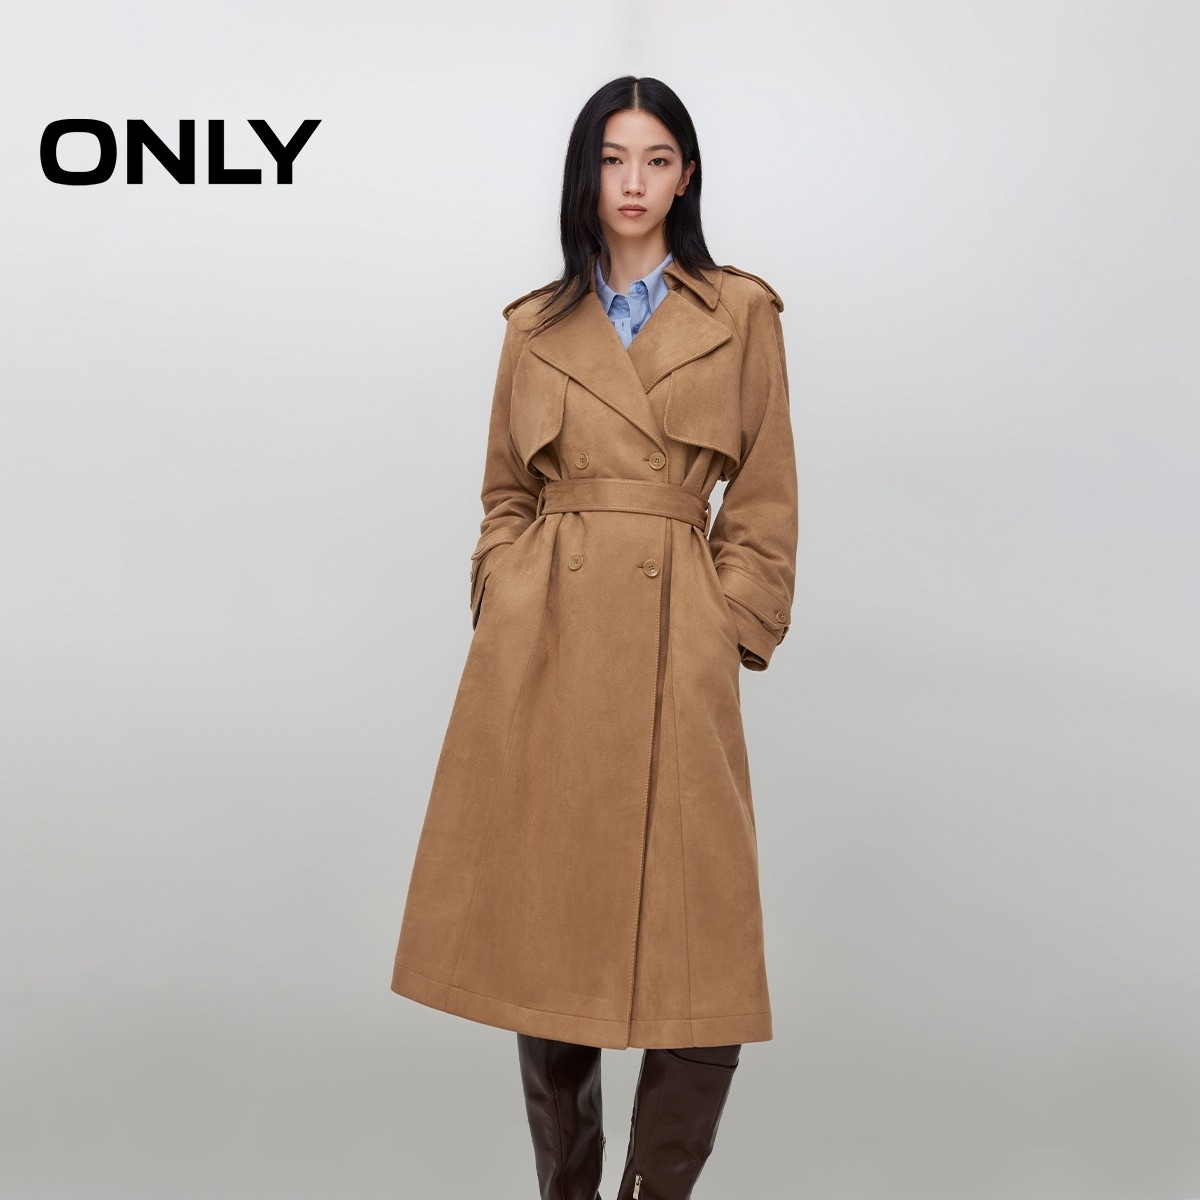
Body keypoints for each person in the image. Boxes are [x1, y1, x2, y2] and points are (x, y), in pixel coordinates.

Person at [390, 75, 798, 1199]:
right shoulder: (534, 326)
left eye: (657, 159)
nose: (634, 182)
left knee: (705, 944)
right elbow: (503, 494)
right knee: (551, 932)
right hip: (553, 644)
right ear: (586, 174)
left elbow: (764, 495)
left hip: (675, 635)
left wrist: (723, 625)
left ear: (687, 176)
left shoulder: (740, 312)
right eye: (614, 159)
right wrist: (507, 592)